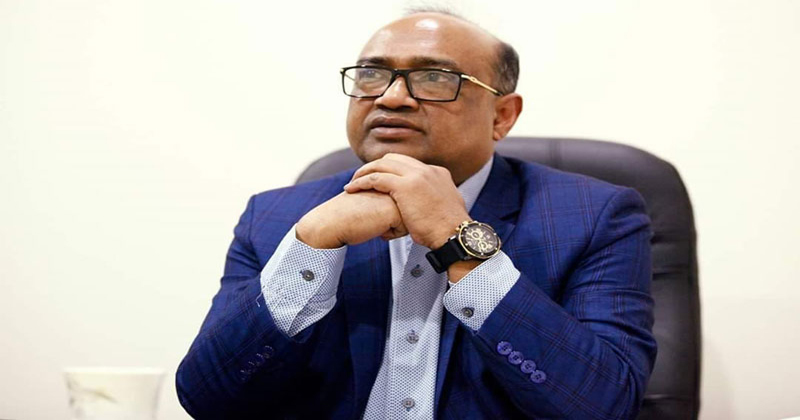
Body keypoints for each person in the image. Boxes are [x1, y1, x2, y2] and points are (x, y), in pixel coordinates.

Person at [176, 10, 657, 420]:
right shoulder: (277, 216)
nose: (390, 97)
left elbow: (601, 405)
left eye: (434, 78)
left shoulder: (596, 217)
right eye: (371, 74)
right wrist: (310, 248)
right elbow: (208, 399)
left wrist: (458, 240)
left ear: (502, 116)